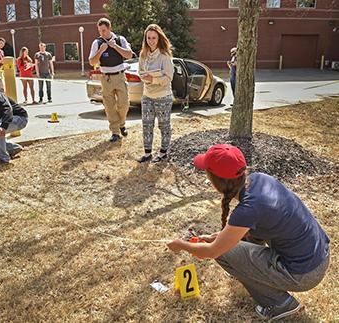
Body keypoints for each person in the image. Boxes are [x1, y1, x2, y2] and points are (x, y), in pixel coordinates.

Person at [167, 144, 330, 321]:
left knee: (224, 253)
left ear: (216, 182)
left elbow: (213, 251)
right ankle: (251, 269)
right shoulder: (260, 179)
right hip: (319, 255)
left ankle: (279, 304)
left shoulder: (247, 210)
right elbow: (245, 228)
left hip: (304, 274)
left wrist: (182, 245)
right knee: (231, 245)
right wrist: (220, 237)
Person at [88, 18, 133, 142]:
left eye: (104, 30)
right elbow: (92, 61)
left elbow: (129, 55)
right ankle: (115, 132)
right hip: (106, 78)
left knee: (124, 103)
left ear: (110, 28)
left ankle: (122, 124)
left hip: (119, 76)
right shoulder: (97, 43)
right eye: (100, 31)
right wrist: (101, 51)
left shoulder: (120, 39)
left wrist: (115, 46)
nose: (102, 33)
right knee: (109, 106)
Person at [137, 24, 174, 163]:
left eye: (154, 38)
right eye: (148, 38)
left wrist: (153, 79)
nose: (151, 41)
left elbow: (169, 78)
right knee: (147, 125)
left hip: (163, 96)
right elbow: (140, 72)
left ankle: (163, 152)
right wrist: (144, 77)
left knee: (163, 126)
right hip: (147, 95)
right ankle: (147, 154)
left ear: (159, 38)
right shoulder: (143, 55)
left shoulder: (165, 56)